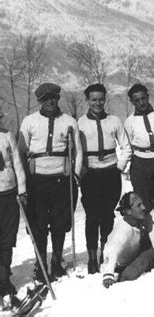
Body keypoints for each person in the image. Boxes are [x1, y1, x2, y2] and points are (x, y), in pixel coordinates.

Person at [18, 83, 82, 283]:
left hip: (61, 180)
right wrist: (24, 181)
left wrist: (76, 175)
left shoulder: (69, 121)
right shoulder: (30, 121)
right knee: (38, 225)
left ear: (58, 98)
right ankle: (40, 264)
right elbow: (20, 152)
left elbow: (78, 151)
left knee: (59, 223)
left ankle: (56, 260)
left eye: (53, 97)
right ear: (39, 101)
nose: (50, 102)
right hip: (36, 181)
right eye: (45, 98)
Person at [78, 84, 132, 274]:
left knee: (108, 215)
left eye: (101, 99)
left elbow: (126, 147)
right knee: (92, 216)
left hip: (110, 173)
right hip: (90, 175)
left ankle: (106, 253)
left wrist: (119, 166)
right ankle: (92, 257)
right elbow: (76, 152)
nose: (98, 103)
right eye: (94, 99)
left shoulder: (114, 121)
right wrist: (80, 171)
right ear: (87, 100)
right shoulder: (80, 124)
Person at [102, 192, 154, 288]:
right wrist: (108, 274)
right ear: (128, 211)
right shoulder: (124, 228)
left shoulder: (137, 222)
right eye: (139, 205)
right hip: (121, 265)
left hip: (131, 259)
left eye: (142, 204)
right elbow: (112, 248)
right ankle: (126, 277)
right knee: (149, 254)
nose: (144, 208)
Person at [0, 107, 27, 302]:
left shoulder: (7, 136)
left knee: (7, 239)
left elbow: (17, 163)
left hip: (8, 194)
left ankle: (4, 278)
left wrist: (22, 189)